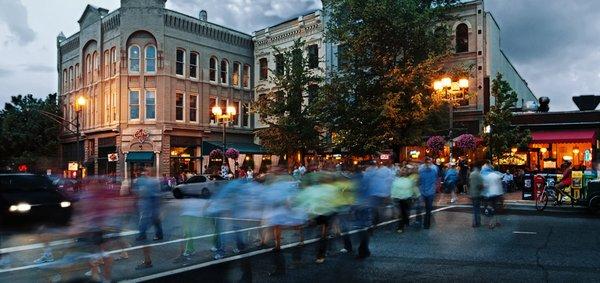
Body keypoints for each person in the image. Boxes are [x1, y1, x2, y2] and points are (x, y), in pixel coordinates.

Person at [133, 167, 163, 269]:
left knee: (145, 222)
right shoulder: (149, 181)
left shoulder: (152, 181)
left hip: (148, 206)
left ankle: (142, 235)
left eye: (147, 171)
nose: (145, 172)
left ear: (150, 173)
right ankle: (156, 234)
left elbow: (153, 195)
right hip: (147, 205)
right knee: (154, 220)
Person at [391, 168, 419, 233]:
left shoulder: (399, 180)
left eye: (404, 171)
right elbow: (414, 188)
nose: (403, 172)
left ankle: (402, 225)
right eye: (402, 171)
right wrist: (417, 195)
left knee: (403, 212)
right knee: (404, 212)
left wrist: (417, 195)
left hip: (403, 198)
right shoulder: (406, 180)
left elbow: (414, 188)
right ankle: (403, 224)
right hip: (402, 198)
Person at [481, 162, 503, 229]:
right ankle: (497, 221)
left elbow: (485, 186)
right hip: (497, 193)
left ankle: (491, 223)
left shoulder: (487, 176)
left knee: (491, 208)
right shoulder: (496, 175)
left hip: (490, 194)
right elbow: (500, 185)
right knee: (495, 208)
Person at [418, 157, 439, 229]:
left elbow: (419, 181)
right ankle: (427, 224)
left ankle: (419, 222)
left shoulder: (420, 170)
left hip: (422, 191)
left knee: (420, 207)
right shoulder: (434, 169)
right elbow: (436, 178)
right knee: (428, 208)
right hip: (431, 191)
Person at [469, 163, 484, 228]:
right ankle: (477, 222)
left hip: (472, 193)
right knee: (477, 209)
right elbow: (481, 185)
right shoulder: (479, 175)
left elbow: (469, 183)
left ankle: (474, 222)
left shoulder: (471, 174)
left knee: (474, 209)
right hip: (478, 194)